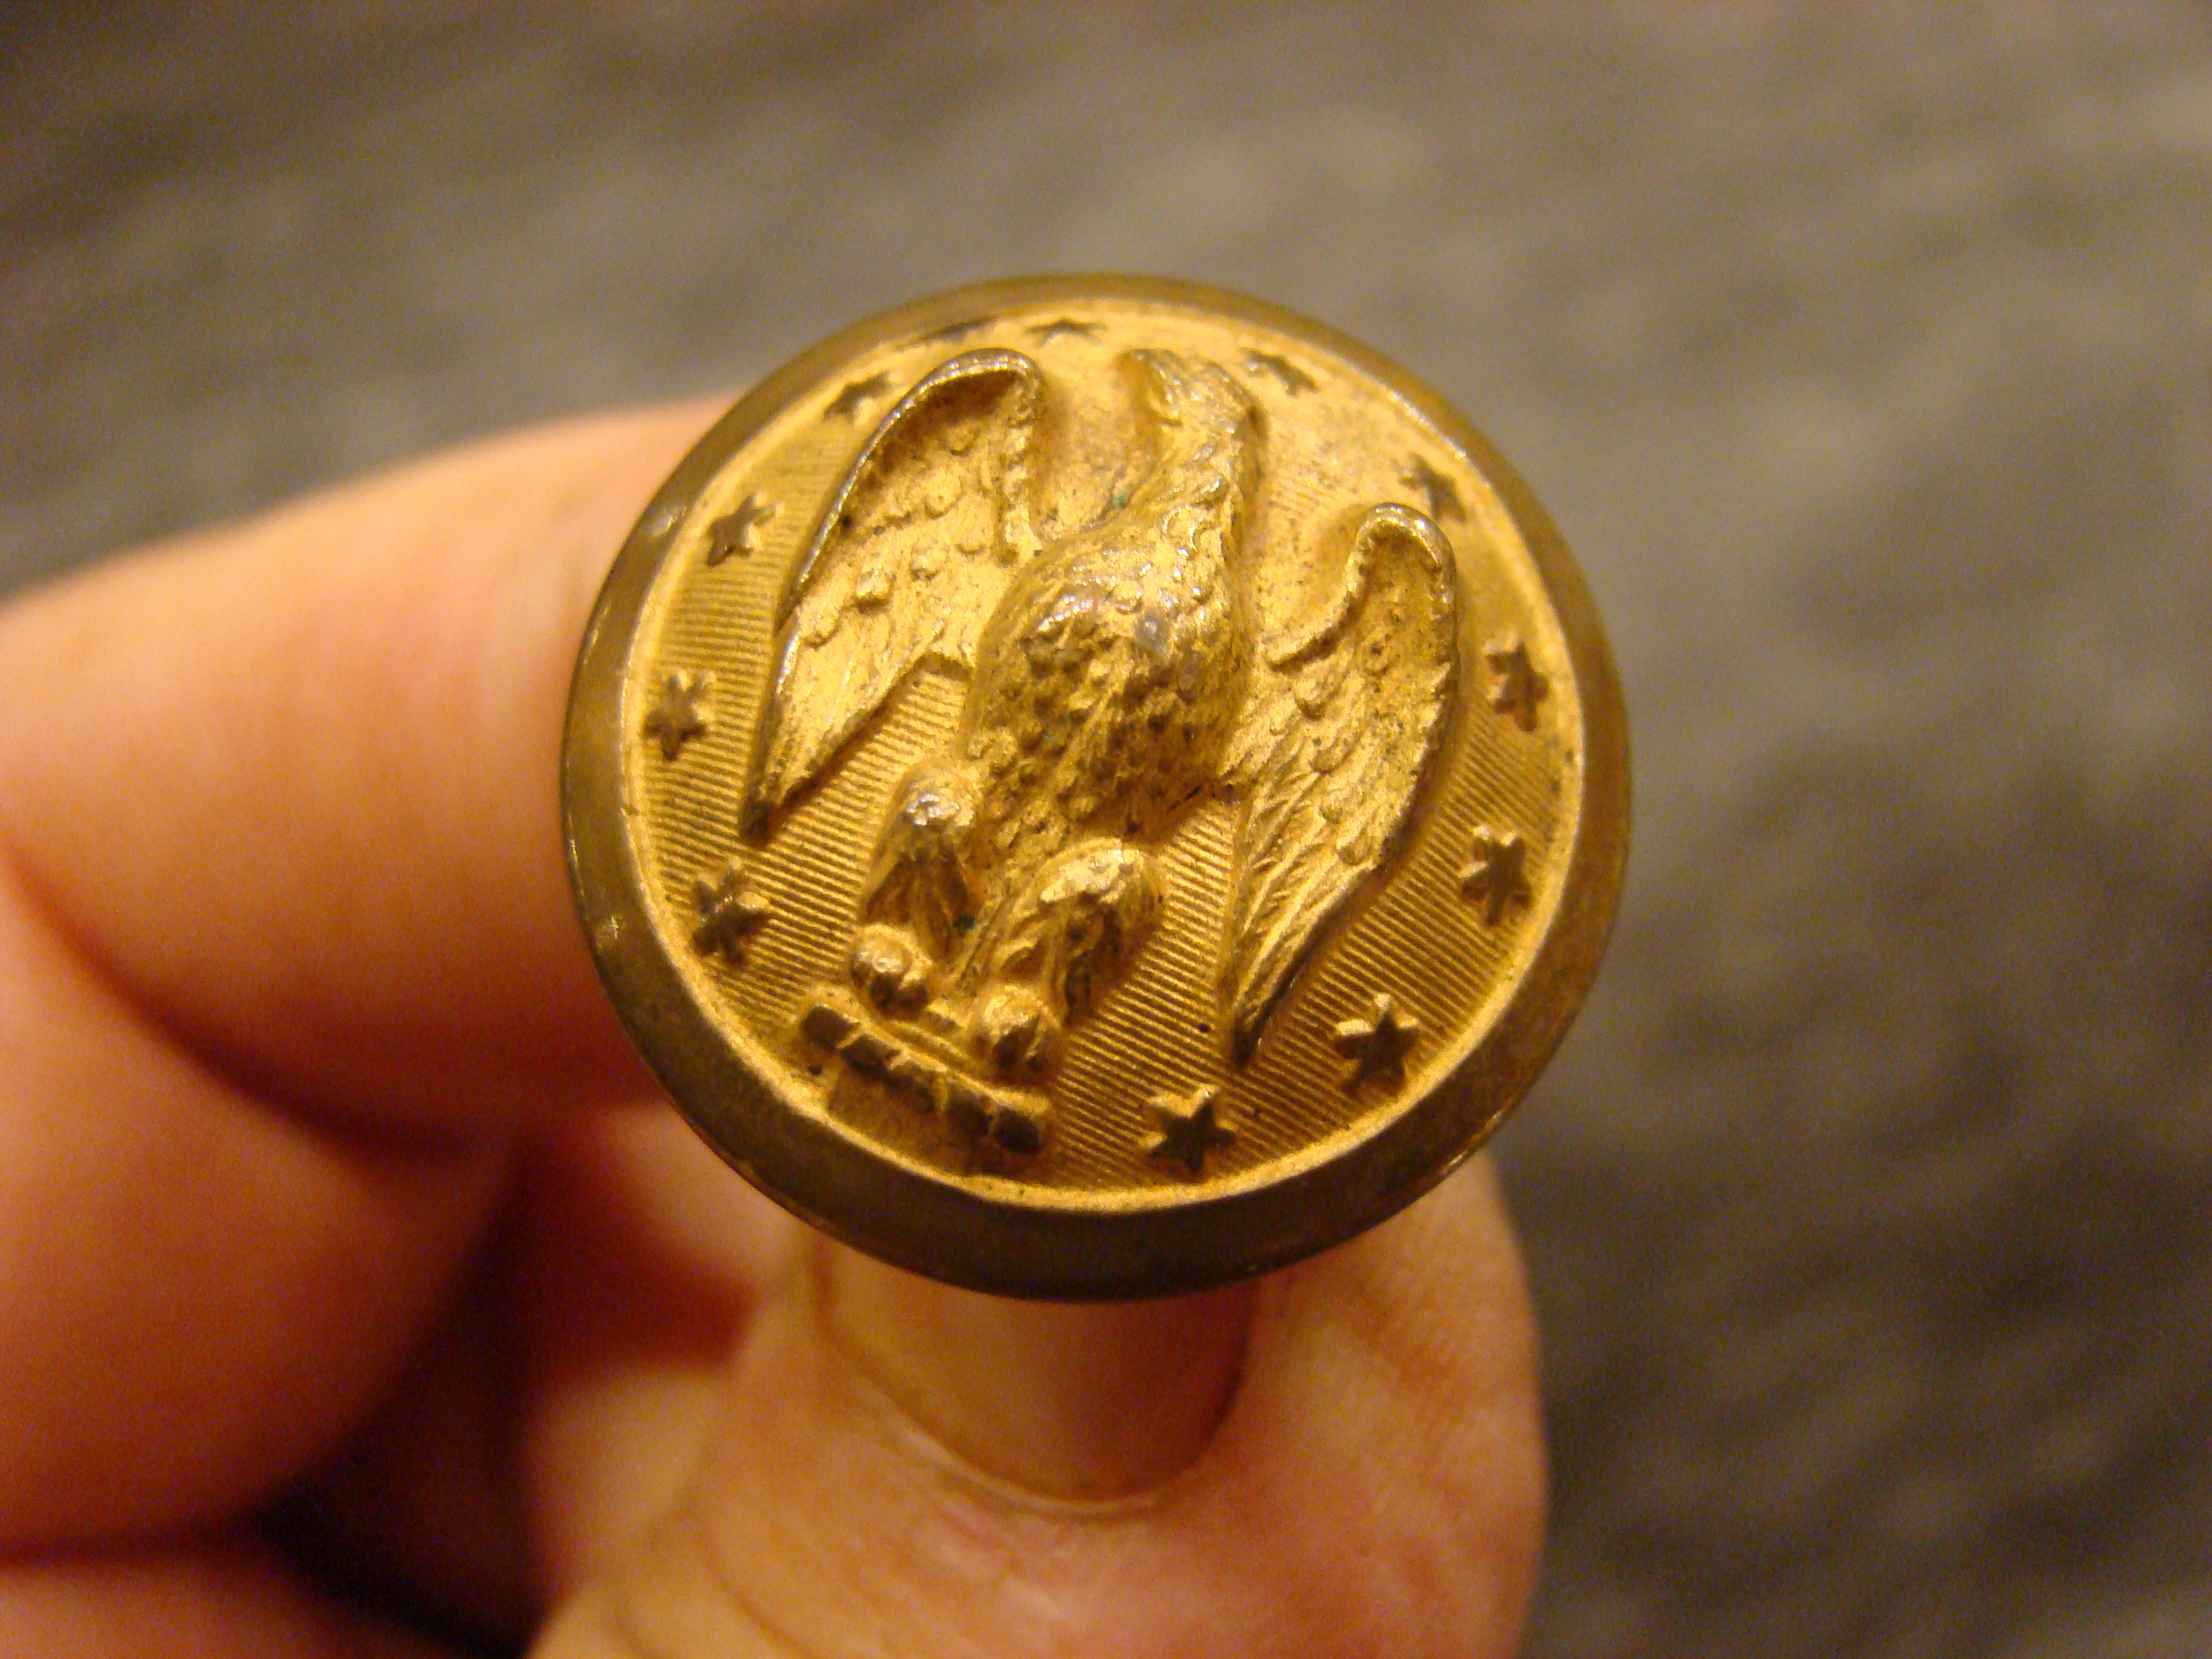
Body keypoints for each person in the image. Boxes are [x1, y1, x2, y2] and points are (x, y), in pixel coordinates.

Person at [0, 404, 1544, 1656]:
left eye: (1201, 437)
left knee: (1102, 886)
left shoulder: (1323, 621)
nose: (1172, 432)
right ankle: (900, 963)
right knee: (929, 804)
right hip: (944, 849)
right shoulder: (1017, 498)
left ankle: (1014, 1014)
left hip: (1080, 923)